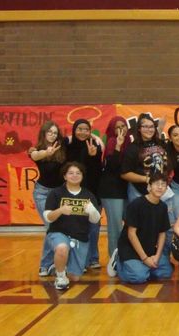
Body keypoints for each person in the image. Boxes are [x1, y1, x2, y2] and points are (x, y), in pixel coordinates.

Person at [43, 162, 101, 290]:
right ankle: (60, 276)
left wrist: (92, 211)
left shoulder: (88, 195)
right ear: (65, 176)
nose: (74, 175)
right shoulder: (56, 193)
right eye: (71, 173)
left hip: (80, 236)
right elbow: (47, 217)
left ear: (82, 176)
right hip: (59, 232)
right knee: (62, 248)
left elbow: (95, 220)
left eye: (78, 173)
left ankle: (58, 266)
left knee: (74, 277)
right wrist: (60, 210)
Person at [107, 173, 173, 283]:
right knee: (138, 277)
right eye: (156, 184)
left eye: (163, 184)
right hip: (131, 249)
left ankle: (142, 268)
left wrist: (157, 256)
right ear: (149, 187)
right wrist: (145, 258)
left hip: (149, 249)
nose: (160, 187)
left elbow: (162, 233)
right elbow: (131, 233)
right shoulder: (136, 204)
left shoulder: (163, 207)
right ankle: (118, 263)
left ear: (166, 189)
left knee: (166, 272)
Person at [64, 119, 103, 270]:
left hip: (92, 193)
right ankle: (77, 261)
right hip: (72, 193)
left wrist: (93, 156)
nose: (83, 132)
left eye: (86, 129)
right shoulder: (68, 146)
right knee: (75, 228)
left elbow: (97, 170)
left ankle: (93, 258)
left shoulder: (95, 146)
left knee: (94, 228)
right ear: (74, 130)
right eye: (79, 129)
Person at [29, 121, 66, 276]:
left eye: (55, 132)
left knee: (56, 228)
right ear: (43, 134)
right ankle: (45, 265)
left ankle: (50, 264)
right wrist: (47, 153)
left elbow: (77, 137)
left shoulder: (62, 148)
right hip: (42, 193)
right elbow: (35, 155)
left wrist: (96, 138)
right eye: (49, 132)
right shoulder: (36, 149)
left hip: (59, 193)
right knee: (52, 227)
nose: (52, 135)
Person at [99, 116, 129, 261]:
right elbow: (112, 166)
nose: (121, 129)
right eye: (117, 127)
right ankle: (115, 260)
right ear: (112, 129)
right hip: (112, 191)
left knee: (130, 223)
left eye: (123, 126)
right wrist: (118, 146)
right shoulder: (112, 142)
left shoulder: (129, 142)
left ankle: (126, 256)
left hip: (126, 189)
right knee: (115, 227)